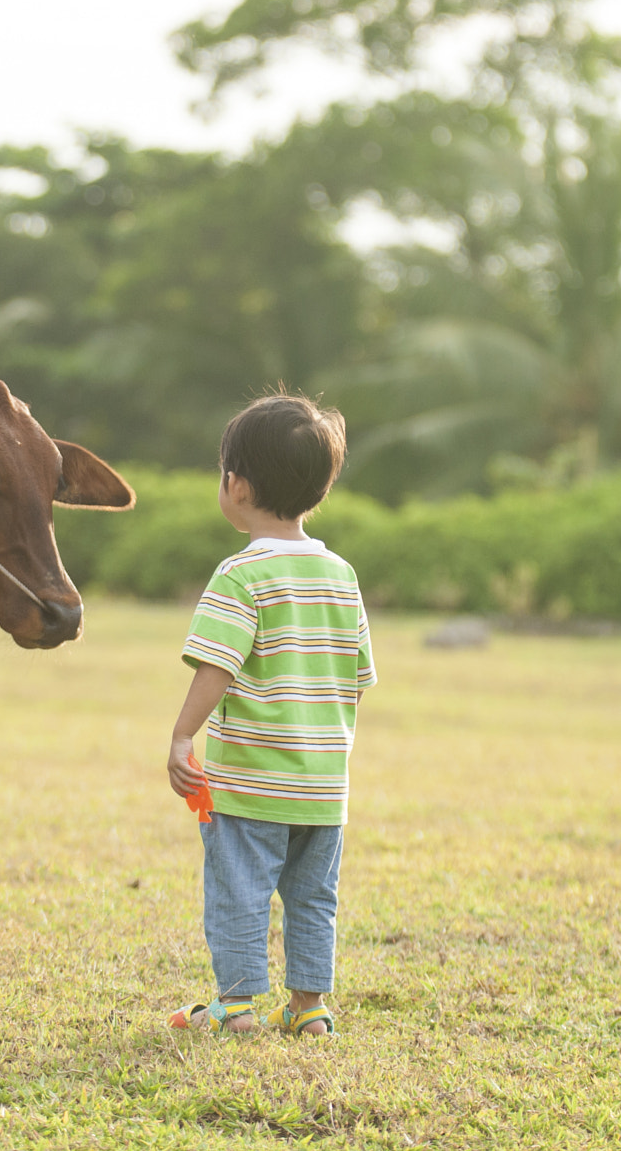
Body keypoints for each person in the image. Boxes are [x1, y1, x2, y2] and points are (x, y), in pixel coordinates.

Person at [166, 393, 374, 1037]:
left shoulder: (240, 574)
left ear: (236, 485)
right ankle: (309, 1008)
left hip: (252, 781)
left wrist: (182, 734)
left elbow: (216, 665)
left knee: (239, 892)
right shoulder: (340, 574)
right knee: (314, 897)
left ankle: (236, 1005)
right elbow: (359, 677)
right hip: (322, 786)